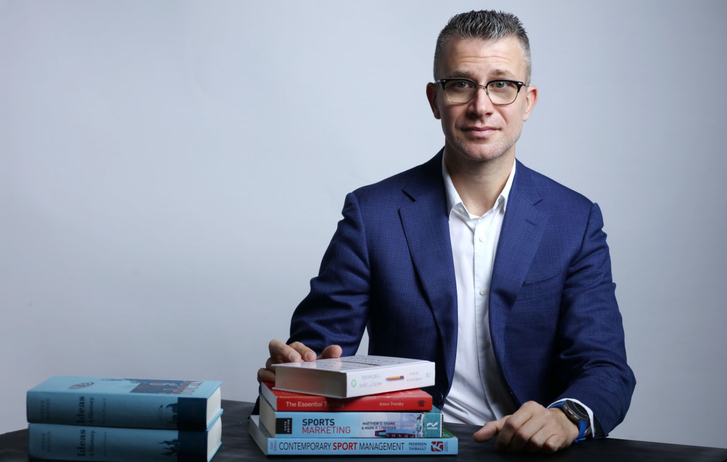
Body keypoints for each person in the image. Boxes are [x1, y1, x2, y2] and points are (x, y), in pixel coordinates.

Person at [257, 10, 635, 454]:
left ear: (528, 101)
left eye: (502, 84)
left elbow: (605, 368)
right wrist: (299, 365)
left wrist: (564, 416)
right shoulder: (372, 215)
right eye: (461, 84)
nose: (481, 106)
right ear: (435, 99)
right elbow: (320, 350)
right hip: (409, 444)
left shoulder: (574, 220)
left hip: (531, 450)